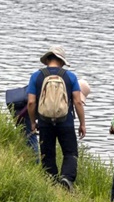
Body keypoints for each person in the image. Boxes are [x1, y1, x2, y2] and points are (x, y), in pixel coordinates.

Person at [25, 46, 86, 191]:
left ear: (47, 59)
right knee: (70, 152)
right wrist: (82, 123)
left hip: (45, 122)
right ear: (62, 61)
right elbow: (77, 101)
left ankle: (50, 182)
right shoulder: (70, 77)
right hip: (66, 121)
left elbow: (31, 102)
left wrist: (33, 122)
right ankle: (66, 178)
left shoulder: (36, 76)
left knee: (47, 153)